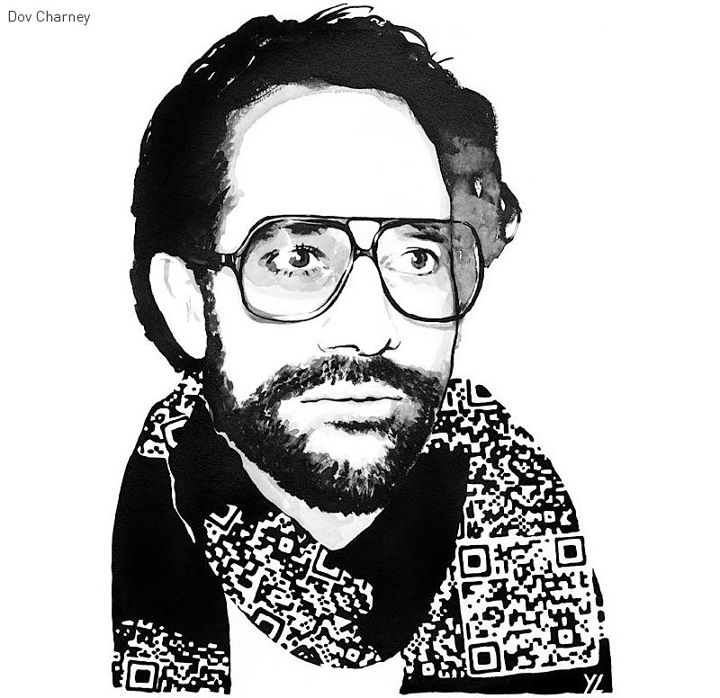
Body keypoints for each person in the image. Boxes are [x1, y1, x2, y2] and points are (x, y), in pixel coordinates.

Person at [112, 6, 611, 693]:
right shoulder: (66, 559)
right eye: (297, 258)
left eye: (418, 257)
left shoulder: (521, 509)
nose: (373, 328)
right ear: (187, 302)